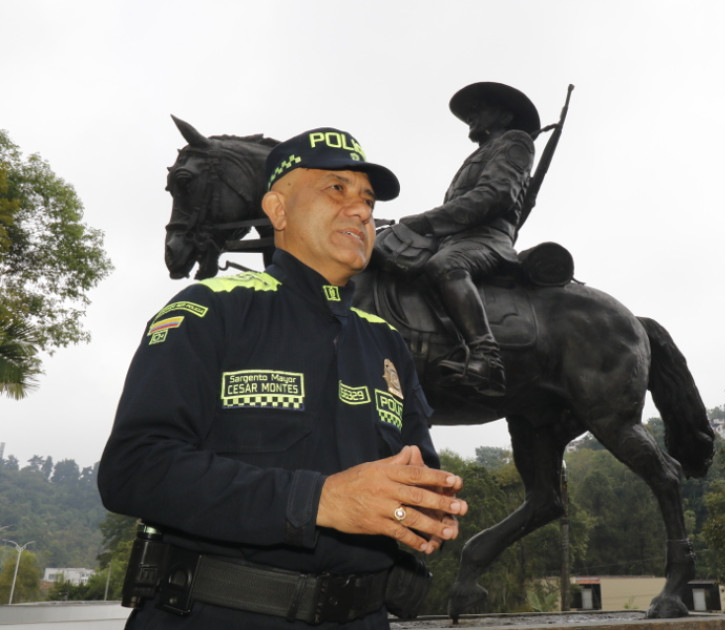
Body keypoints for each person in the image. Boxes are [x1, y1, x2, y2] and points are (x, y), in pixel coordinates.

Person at [98, 127, 468, 630]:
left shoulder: (386, 343)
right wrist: (318, 502)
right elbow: (133, 470)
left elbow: (415, 471)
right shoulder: (211, 310)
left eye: (368, 200)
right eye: (336, 189)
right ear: (278, 210)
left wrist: (423, 508)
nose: (361, 211)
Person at [398, 82, 540, 397]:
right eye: (471, 111)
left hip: (487, 240)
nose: (472, 115)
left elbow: (496, 195)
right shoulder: (478, 154)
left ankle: (487, 356)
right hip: (453, 238)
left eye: (480, 108)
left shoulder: (515, 142)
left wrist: (426, 221)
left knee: (447, 266)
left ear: (504, 116)